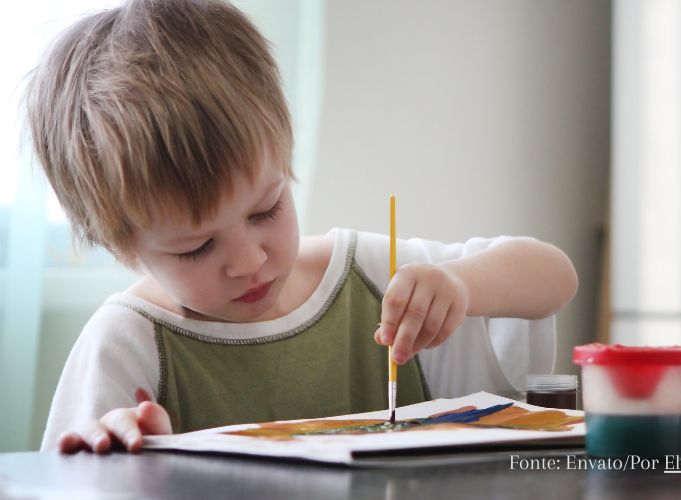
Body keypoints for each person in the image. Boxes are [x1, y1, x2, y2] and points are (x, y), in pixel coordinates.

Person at [24, 0, 578, 453]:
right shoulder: (126, 345)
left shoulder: (371, 276)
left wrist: (460, 284)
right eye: (195, 247)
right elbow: (71, 475)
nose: (249, 261)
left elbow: (555, 278)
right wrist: (123, 458)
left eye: (265, 210)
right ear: (122, 248)